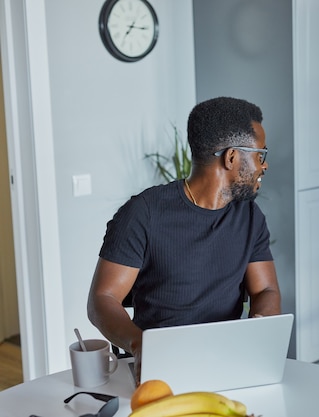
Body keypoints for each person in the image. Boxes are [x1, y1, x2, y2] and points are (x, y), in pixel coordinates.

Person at [87, 97, 282, 384]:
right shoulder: (144, 213)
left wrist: (259, 327)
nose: (263, 166)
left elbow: (265, 289)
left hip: (229, 360)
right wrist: (141, 347)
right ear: (231, 158)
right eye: (259, 155)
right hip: (159, 367)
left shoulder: (250, 217)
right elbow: (102, 299)